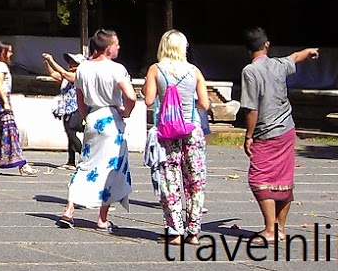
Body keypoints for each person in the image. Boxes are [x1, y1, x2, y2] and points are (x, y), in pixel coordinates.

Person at [239, 26, 319, 245]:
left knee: (259, 178)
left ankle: (270, 229)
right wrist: (310, 51)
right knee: (283, 178)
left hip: (266, 132)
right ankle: (279, 228)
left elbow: (251, 108)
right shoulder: (278, 65)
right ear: (267, 45)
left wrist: (249, 135)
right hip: (286, 129)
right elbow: (295, 57)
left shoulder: (250, 71)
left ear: (247, 49)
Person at [59, 29, 136, 233]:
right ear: (108, 47)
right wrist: (125, 112)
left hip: (93, 119)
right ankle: (102, 218)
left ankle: (69, 210)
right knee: (111, 168)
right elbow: (131, 96)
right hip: (111, 119)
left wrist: (86, 117)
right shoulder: (117, 69)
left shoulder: (83, 68)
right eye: (116, 44)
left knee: (86, 164)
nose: (118, 47)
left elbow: (80, 99)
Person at [142, 30, 211, 245]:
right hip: (192, 129)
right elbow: (205, 104)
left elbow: (149, 100)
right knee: (195, 180)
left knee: (169, 179)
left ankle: (175, 230)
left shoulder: (156, 69)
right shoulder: (194, 71)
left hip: (167, 132)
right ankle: (194, 231)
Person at [0, 41, 36, 175]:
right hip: (0, 100)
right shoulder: (2, 66)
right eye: (9, 51)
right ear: (3, 52)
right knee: (11, 132)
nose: (11, 54)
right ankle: (22, 165)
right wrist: (5, 102)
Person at [42, 50, 86, 168]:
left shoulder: (79, 76)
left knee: (72, 130)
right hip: (66, 109)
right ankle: (71, 161)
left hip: (77, 109)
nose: (70, 65)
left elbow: (63, 73)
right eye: (70, 63)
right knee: (69, 133)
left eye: (74, 63)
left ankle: (85, 157)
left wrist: (52, 60)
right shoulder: (67, 77)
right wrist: (47, 63)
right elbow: (53, 74)